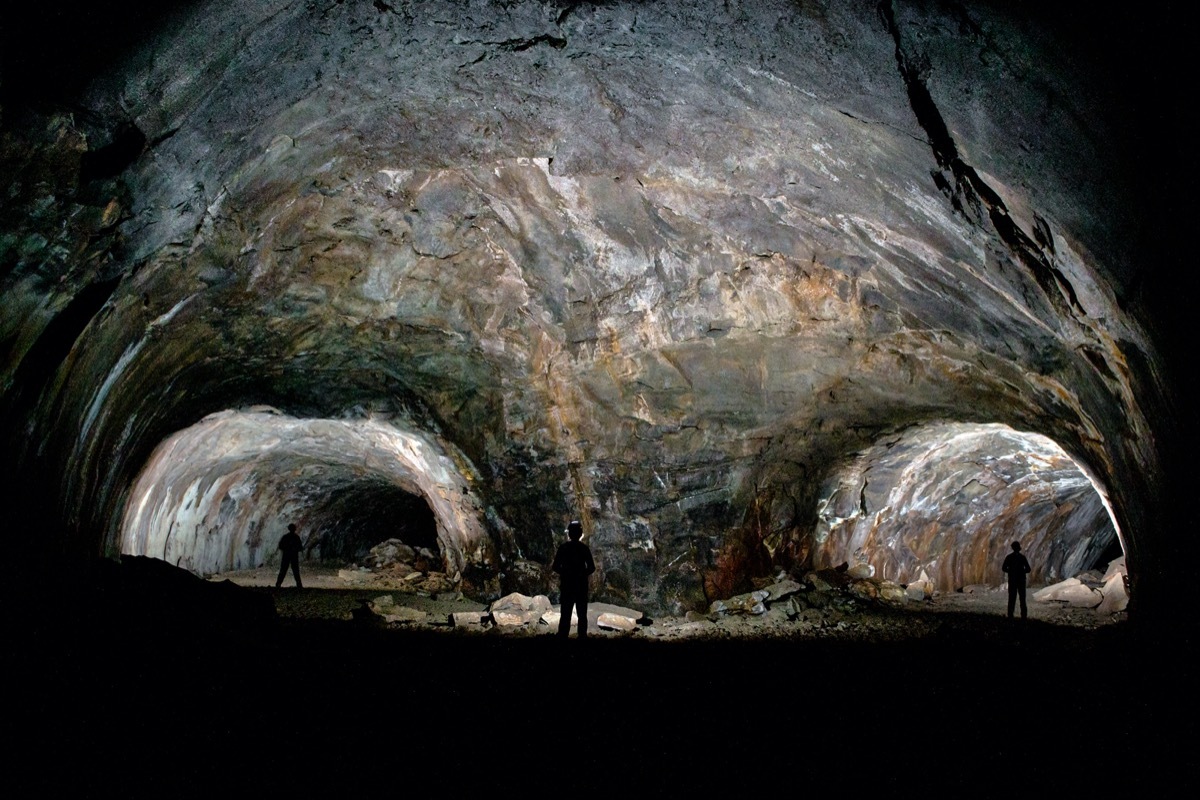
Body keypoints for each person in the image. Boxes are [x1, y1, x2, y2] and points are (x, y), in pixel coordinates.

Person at [551, 520, 595, 639]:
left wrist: (565, 573)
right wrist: (582, 574)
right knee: (582, 614)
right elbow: (591, 567)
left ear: (569, 534)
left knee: (565, 613)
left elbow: (555, 566)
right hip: (581, 585)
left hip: (567, 585)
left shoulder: (563, 548)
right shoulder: (584, 548)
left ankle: (563, 635)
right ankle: (582, 636)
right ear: (580, 533)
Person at [1002, 540, 1031, 619]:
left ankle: (1010, 615)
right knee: (1022, 599)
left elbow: (1004, 568)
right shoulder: (1022, 557)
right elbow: (1028, 569)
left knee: (1012, 598)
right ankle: (1023, 616)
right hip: (1021, 580)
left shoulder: (1009, 557)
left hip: (1012, 580)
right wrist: (1022, 572)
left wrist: (1011, 571)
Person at [276, 523, 303, 588]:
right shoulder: (296, 537)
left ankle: (278, 584)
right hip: (294, 556)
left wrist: (287, 548)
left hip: (286, 556)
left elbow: (280, 546)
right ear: (295, 529)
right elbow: (300, 548)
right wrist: (294, 549)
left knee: (283, 570)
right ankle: (299, 585)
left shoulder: (285, 537)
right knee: (296, 571)